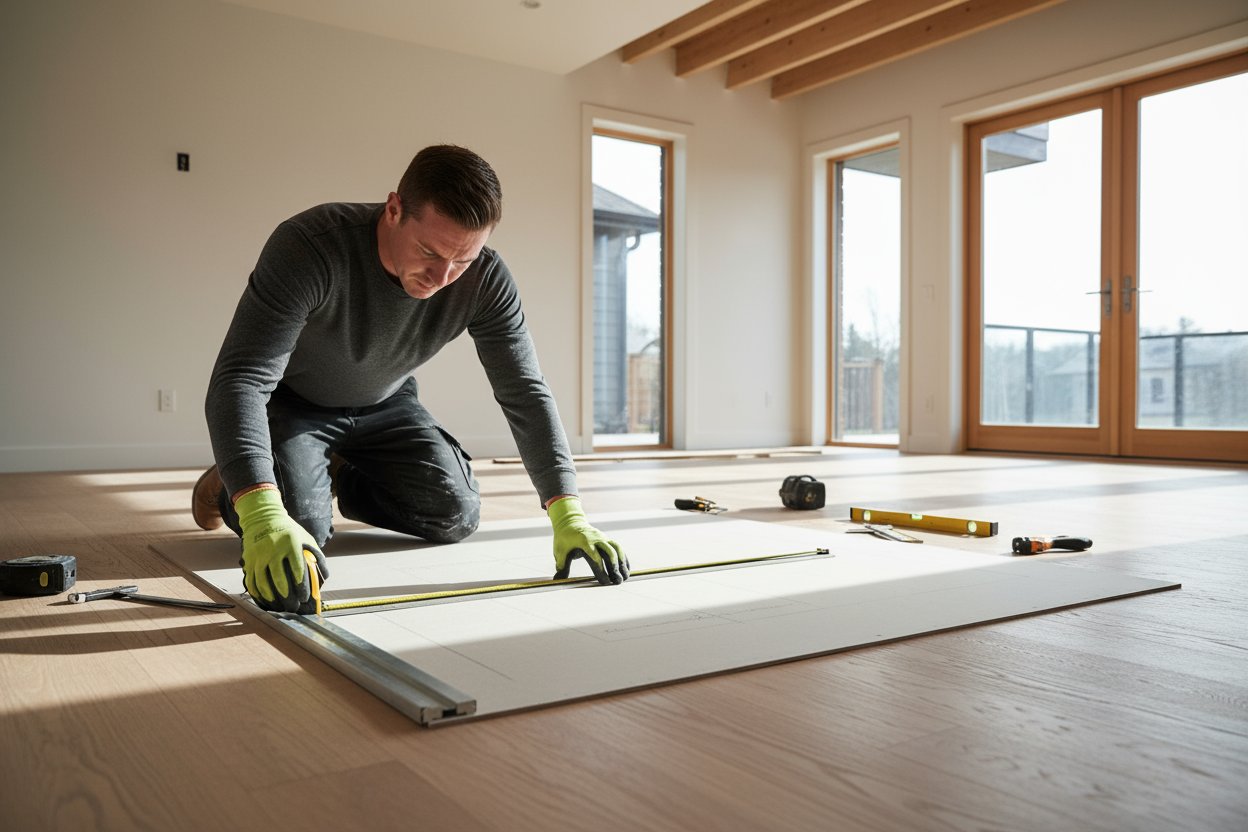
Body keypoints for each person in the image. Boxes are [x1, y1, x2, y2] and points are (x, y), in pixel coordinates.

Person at [192, 145, 627, 613]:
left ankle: (329, 467)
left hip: (386, 404)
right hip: (294, 406)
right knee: (302, 529)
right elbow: (241, 378)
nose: (443, 277)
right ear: (394, 209)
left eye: (462, 260)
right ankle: (232, 483)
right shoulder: (311, 246)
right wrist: (260, 512)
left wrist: (568, 512)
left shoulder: (485, 281)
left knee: (455, 513)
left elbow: (524, 391)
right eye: (429, 252)